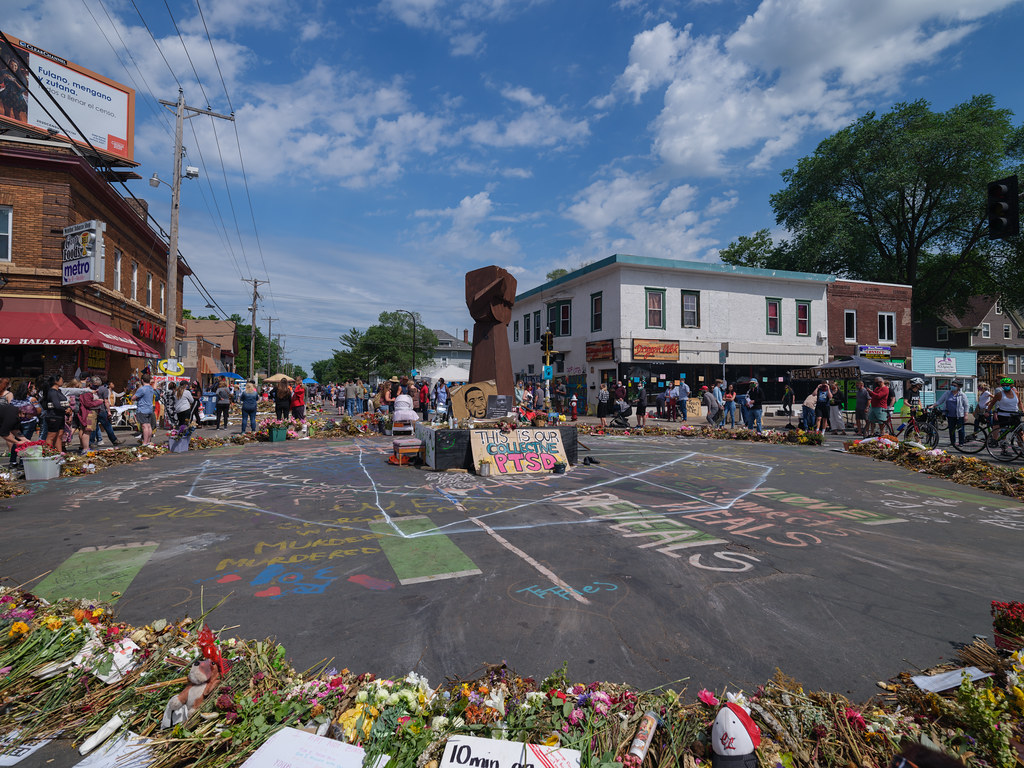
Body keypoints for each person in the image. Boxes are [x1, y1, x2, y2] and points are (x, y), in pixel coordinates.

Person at [989, 376, 1020, 455]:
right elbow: (993, 403)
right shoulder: (999, 394)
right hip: (1003, 415)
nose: (1005, 387)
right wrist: (988, 411)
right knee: (1004, 433)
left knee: (1020, 432)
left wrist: (1022, 410)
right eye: (1003, 385)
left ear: (1011, 385)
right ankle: (1004, 450)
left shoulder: (1016, 392)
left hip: (1014, 414)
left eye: (1007, 385)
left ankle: (1022, 449)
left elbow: (1020, 402)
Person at [938, 379, 969, 447]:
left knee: (960, 429)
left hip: (959, 415)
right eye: (952, 385)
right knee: (951, 430)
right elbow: (940, 400)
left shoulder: (962, 395)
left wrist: (966, 415)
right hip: (950, 415)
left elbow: (966, 405)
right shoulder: (947, 393)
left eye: (954, 385)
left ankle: (961, 442)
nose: (952, 386)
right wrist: (934, 405)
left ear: (958, 387)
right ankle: (952, 442)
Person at [133, 373, 157, 446]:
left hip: (142, 409)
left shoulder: (142, 389)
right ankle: (148, 441)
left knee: (144, 426)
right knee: (149, 426)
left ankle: (145, 442)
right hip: (149, 409)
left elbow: (133, 398)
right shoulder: (151, 388)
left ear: (142, 380)